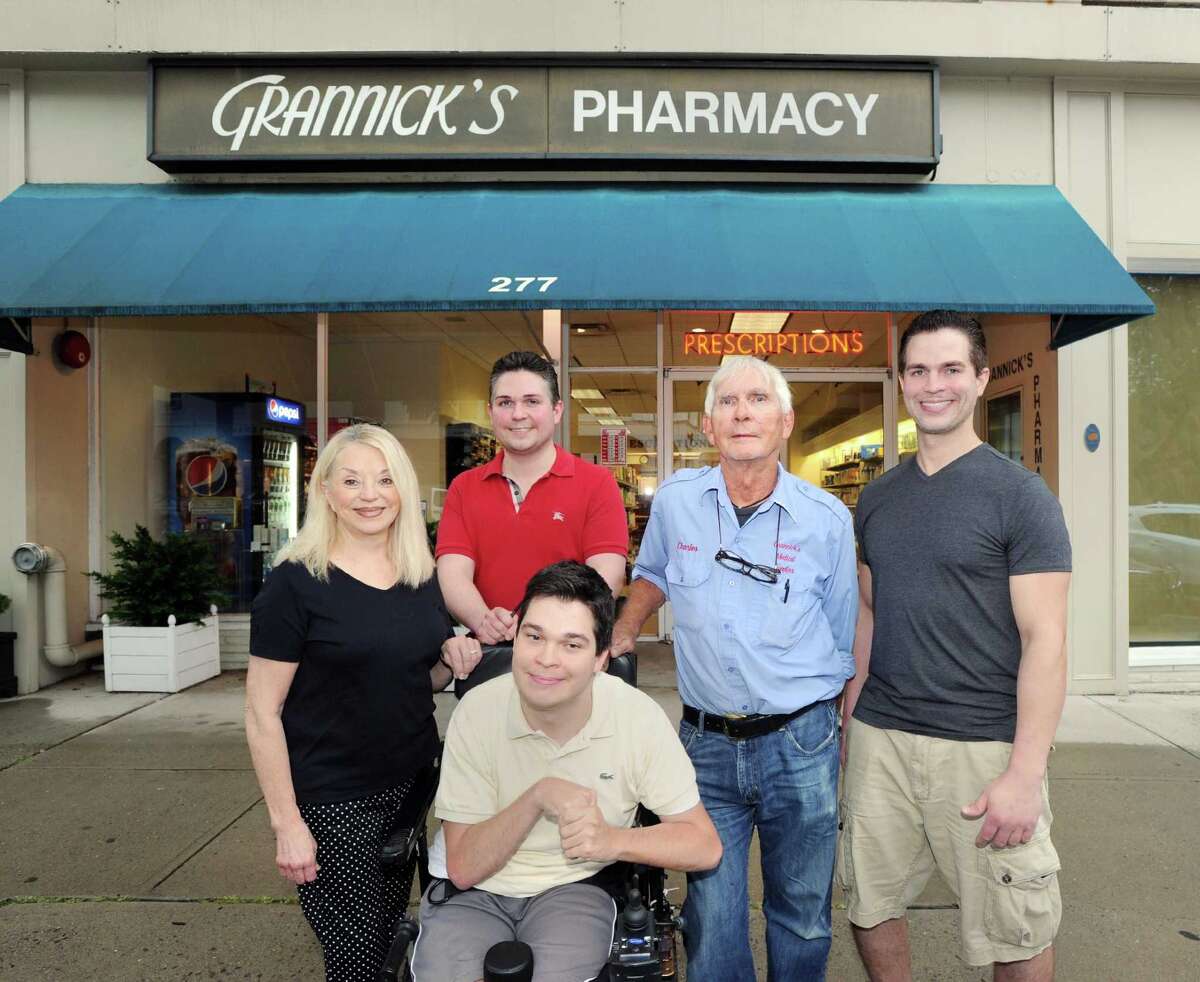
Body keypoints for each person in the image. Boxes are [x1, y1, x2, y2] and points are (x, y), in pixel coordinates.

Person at [841, 310, 1072, 982]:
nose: (932, 384)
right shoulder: (878, 499)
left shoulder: (1021, 499)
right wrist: (853, 724)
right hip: (882, 737)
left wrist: (1025, 775)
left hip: (982, 745)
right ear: (902, 381)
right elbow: (867, 613)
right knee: (869, 898)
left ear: (979, 379)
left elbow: (1046, 641)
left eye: (950, 369)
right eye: (918, 370)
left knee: (1014, 921)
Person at [611, 355, 858, 982]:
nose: (743, 412)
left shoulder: (827, 520)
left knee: (801, 911)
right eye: (728, 402)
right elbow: (653, 574)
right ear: (708, 424)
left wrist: (842, 731)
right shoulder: (676, 503)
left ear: (785, 421)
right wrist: (622, 628)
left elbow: (842, 636)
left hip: (800, 742)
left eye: (758, 400)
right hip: (705, 747)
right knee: (712, 917)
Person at [245, 424, 484, 982]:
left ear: (402, 489)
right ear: (325, 491)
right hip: (334, 802)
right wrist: (287, 824)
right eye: (351, 481)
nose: (369, 495)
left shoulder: (420, 574)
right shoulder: (295, 584)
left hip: (410, 786)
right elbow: (261, 713)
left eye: (383, 480)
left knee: (392, 943)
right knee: (356, 963)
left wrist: (451, 657)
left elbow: (414, 678)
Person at [411, 560, 722, 982]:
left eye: (571, 645)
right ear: (516, 634)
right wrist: (539, 795)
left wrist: (611, 840)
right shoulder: (477, 711)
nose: (546, 660)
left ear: (601, 659)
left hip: (574, 886)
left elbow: (703, 845)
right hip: (475, 892)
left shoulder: (636, 719)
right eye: (534, 637)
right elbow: (465, 865)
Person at [436, 350, 629, 643]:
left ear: (556, 410)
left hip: (568, 654)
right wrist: (483, 620)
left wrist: (541, 631)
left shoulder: (598, 484)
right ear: (490, 411)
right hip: (491, 654)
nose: (517, 414)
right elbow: (452, 575)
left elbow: (607, 575)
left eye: (532, 401)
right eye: (505, 403)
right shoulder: (464, 488)